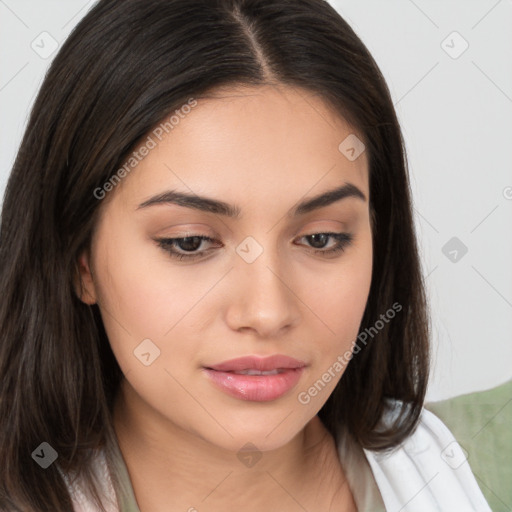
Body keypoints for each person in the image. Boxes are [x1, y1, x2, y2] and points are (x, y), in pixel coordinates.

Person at [0, 0, 491, 510]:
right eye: (189, 242)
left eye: (321, 238)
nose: (267, 312)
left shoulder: (476, 465)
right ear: (80, 259)